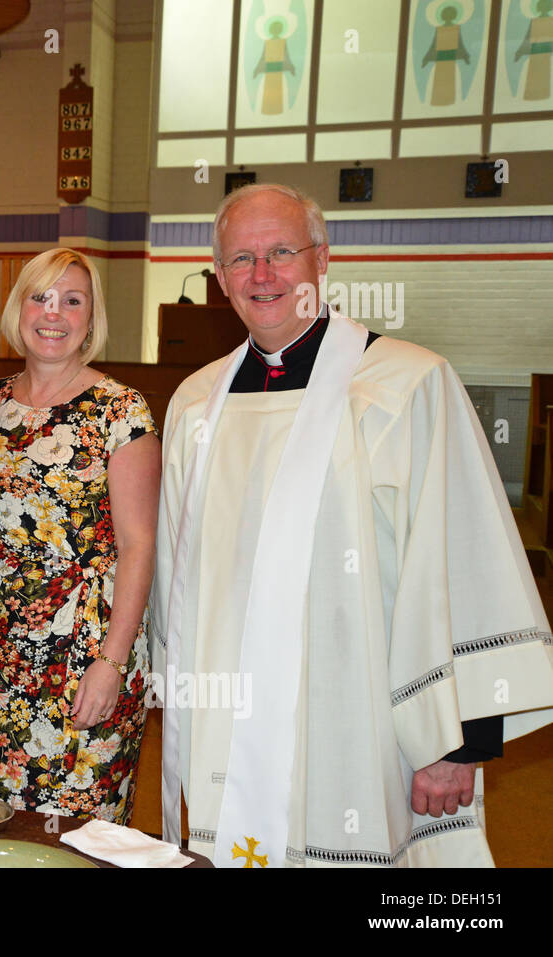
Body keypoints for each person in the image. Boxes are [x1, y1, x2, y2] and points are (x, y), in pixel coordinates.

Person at [151, 183, 553, 868]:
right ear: (219, 280)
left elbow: (466, 557)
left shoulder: (407, 385)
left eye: (281, 251)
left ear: (323, 259)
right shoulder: (196, 405)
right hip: (231, 724)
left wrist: (458, 742)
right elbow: (176, 578)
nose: (263, 275)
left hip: (362, 721)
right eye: (241, 259)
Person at [0, 248, 160, 822]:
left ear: (91, 317)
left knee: (83, 834)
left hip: (89, 648)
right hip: (1, 647)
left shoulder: (121, 412)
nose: (53, 313)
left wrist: (112, 662)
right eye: (40, 297)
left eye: (72, 300)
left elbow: (140, 546)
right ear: (19, 308)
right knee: (0, 825)